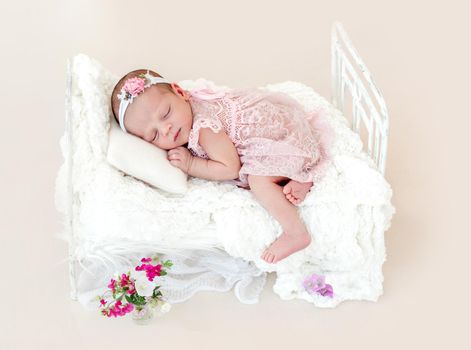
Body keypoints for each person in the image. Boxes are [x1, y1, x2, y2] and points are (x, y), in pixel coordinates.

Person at [110, 69, 335, 264]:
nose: (166, 129)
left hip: (279, 138)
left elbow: (230, 168)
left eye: (166, 114)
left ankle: (295, 232)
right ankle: (300, 178)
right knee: (264, 170)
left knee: (258, 181)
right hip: (280, 131)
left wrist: (191, 163)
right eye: (154, 134)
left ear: (180, 92)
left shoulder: (204, 127)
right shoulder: (188, 109)